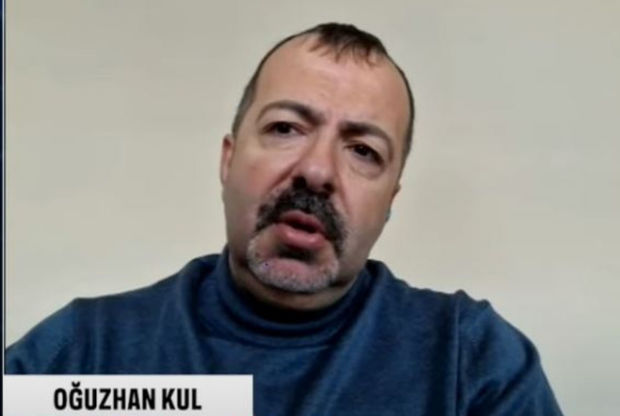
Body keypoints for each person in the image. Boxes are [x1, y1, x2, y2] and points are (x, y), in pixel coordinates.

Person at [6, 23, 563, 415]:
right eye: (285, 128)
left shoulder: (472, 364)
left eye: (363, 150)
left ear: (391, 199)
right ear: (228, 159)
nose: (316, 171)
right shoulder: (82, 355)